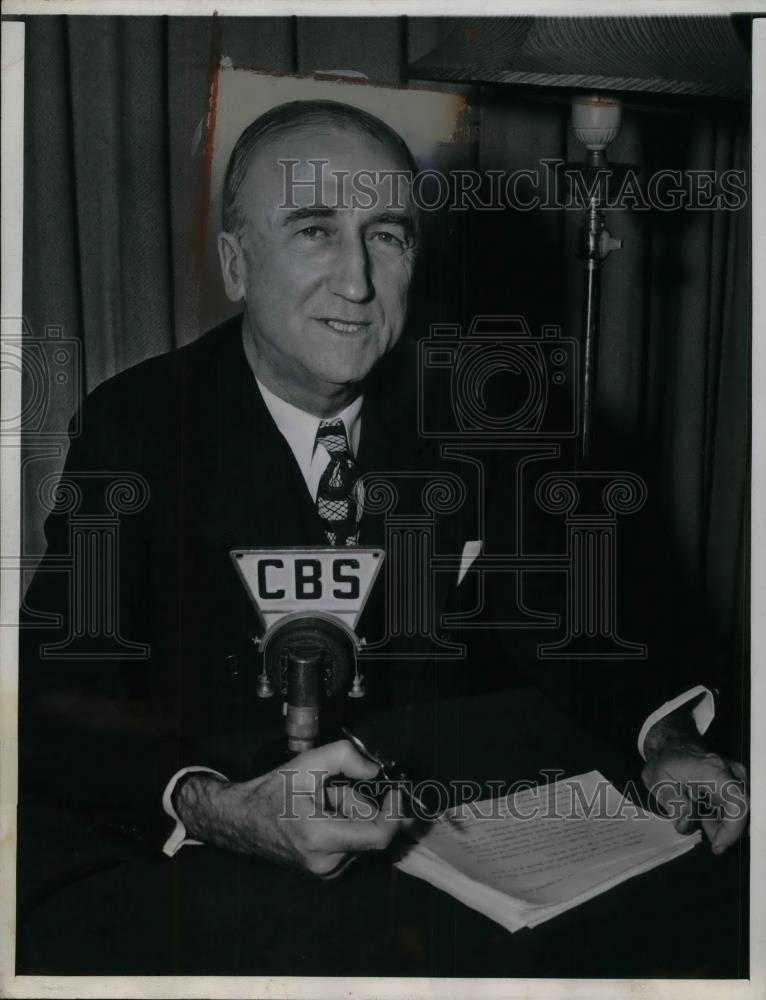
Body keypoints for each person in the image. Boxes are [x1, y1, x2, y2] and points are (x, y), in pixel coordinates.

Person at [18, 101, 747, 958]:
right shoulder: (134, 424)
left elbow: (569, 619)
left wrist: (667, 737)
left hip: (438, 862)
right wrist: (212, 804)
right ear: (237, 263)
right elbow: (60, 687)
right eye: (316, 231)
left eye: (388, 235)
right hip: (223, 873)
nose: (358, 282)